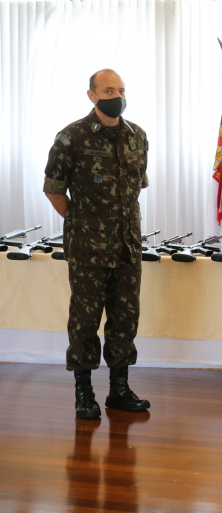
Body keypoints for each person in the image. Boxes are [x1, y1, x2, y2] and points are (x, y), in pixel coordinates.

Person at [43, 69, 152, 420]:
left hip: (127, 245)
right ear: (92, 95)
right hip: (88, 248)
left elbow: (136, 188)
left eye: (120, 90)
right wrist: (82, 223)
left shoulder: (137, 137)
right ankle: (84, 391)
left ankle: (119, 390)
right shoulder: (71, 137)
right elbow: (54, 190)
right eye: (108, 90)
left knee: (125, 319)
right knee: (85, 320)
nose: (116, 96)